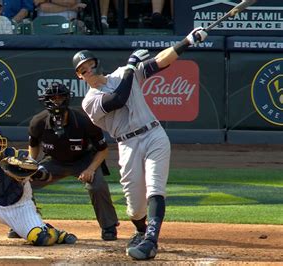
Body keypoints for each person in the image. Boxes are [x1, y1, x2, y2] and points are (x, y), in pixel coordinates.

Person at [73, 27, 208, 259]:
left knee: (156, 188)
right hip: (127, 145)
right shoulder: (90, 101)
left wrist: (188, 40)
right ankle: (142, 231)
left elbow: (160, 61)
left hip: (154, 135)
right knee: (135, 208)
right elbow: (118, 99)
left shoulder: (123, 72)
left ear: (97, 63)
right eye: (83, 70)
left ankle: (150, 242)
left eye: (90, 65)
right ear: (80, 76)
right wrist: (131, 66)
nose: (88, 71)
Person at [26, 82, 120, 241]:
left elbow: (103, 150)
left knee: (97, 186)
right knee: (24, 183)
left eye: (60, 98)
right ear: (46, 100)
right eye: (53, 98)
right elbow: (33, 147)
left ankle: (109, 227)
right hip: (53, 162)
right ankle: (27, 223)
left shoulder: (84, 120)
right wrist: (30, 166)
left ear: (67, 99)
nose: (57, 102)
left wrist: (90, 169)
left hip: (84, 161)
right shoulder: (38, 122)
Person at [0, 127, 77, 246]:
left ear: (2, 144)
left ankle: (53, 232)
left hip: (20, 207)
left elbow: (45, 176)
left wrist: (33, 172)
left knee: (42, 239)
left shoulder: (18, 156)